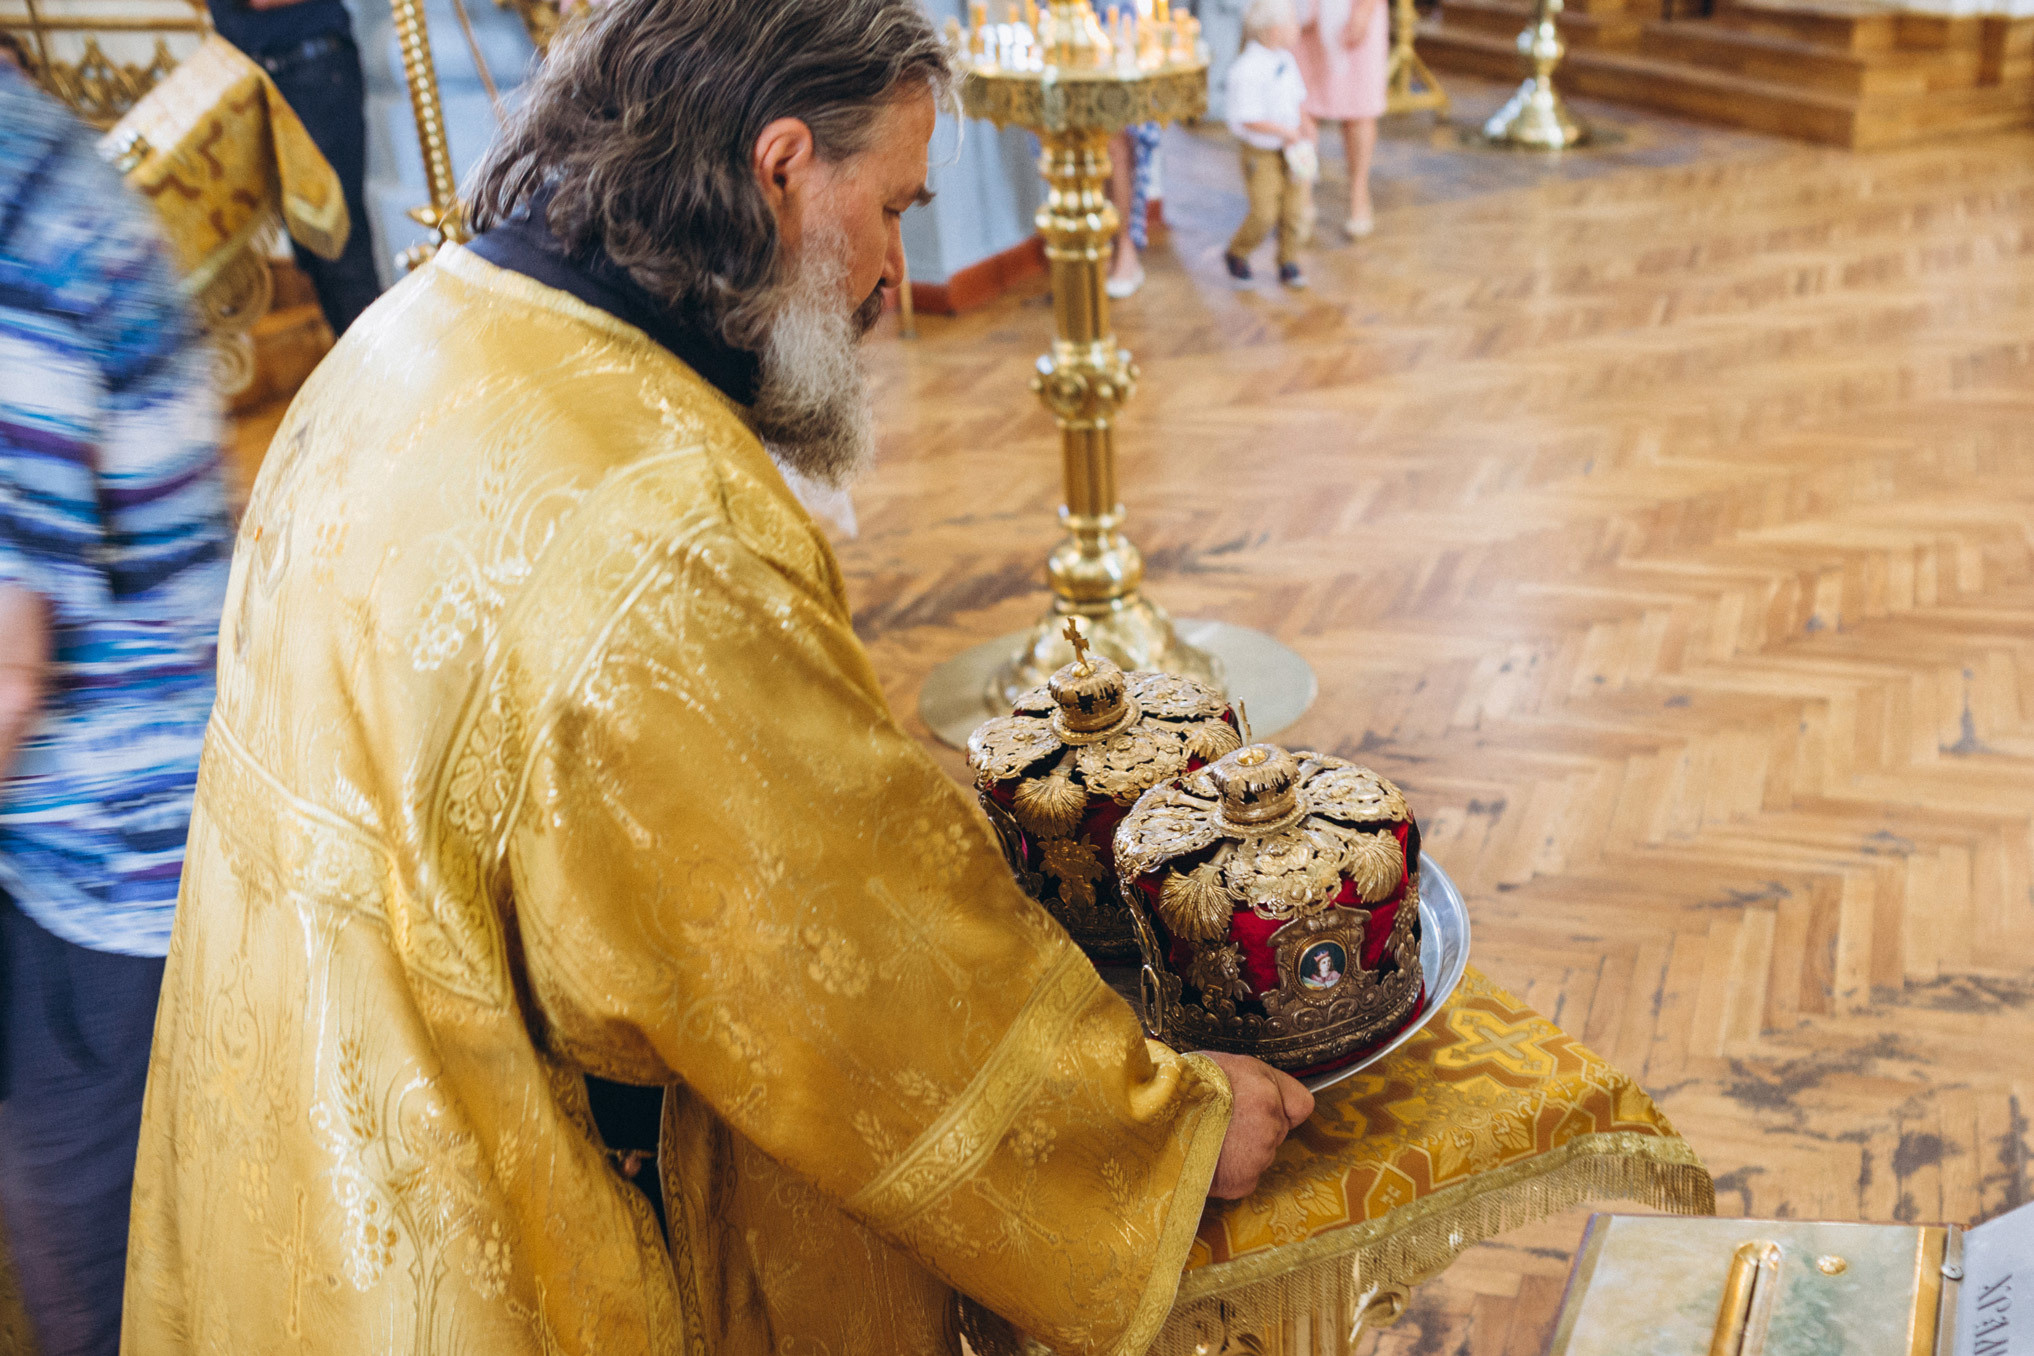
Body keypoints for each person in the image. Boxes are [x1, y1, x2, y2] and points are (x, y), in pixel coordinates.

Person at [123, 3, 1315, 1353]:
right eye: (891, 209)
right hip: (493, 1251)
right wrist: (1158, 1136)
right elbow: (852, 962)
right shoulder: (665, 526)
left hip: (291, 1181)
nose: (894, 277)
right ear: (782, 166)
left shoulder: (410, 337)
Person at [0, 63, 232, 1356]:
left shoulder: (14, 215)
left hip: (115, 868)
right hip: (85, 848)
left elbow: (7, 674)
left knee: (113, 1300)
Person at [207, 0, 382, 333]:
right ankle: (354, 365)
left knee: (340, 241)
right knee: (311, 250)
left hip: (311, 67)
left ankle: (384, 372)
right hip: (259, 78)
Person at [1224, 0, 1314, 289]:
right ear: (1275, 30)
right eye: (1293, 23)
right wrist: (1284, 131)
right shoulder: (1246, 68)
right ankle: (1238, 252)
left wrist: (1304, 122)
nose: (1297, 28)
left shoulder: (1286, 60)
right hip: (1262, 152)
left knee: (1294, 208)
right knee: (1264, 212)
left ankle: (1288, 260)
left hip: (1292, 149)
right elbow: (1248, 117)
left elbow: (1296, 97)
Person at [1296, 0, 1387, 238]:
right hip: (1304, 11)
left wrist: (1366, 9)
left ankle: (1359, 195)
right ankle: (1301, 195)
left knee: (1359, 107)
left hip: (1354, 9)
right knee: (1300, 107)